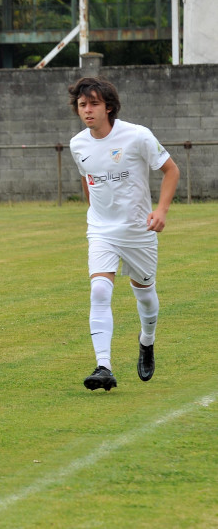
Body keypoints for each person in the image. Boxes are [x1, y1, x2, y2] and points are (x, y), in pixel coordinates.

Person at [68, 77, 179, 391]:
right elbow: (87, 179)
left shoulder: (137, 136)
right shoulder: (78, 144)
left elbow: (171, 170)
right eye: (82, 105)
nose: (87, 110)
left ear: (109, 107)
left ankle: (147, 340)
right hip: (101, 230)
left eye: (93, 104)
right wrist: (95, 213)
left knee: (145, 295)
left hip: (138, 232)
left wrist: (161, 211)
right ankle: (104, 366)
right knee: (100, 292)